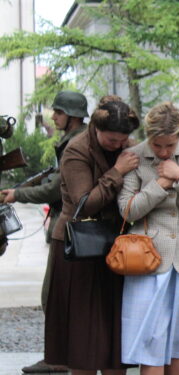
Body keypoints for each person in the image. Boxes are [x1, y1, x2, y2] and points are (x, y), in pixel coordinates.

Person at [116, 102, 179, 374]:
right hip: (147, 259)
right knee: (151, 341)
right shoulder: (134, 156)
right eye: (157, 145)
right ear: (148, 137)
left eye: (170, 145)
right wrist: (159, 185)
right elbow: (127, 209)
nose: (163, 151)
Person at [44, 98, 140, 375]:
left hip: (116, 246)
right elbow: (84, 203)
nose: (119, 145)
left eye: (124, 139)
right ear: (96, 129)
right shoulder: (76, 150)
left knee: (114, 338)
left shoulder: (128, 148)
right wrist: (117, 172)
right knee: (82, 339)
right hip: (79, 248)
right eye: (112, 140)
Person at [5, 90, 88, 374]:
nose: (53, 116)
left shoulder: (76, 143)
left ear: (73, 116)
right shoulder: (75, 140)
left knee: (53, 296)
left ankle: (58, 357)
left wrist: (17, 195)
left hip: (69, 230)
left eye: (59, 112)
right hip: (73, 231)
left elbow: (55, 188)